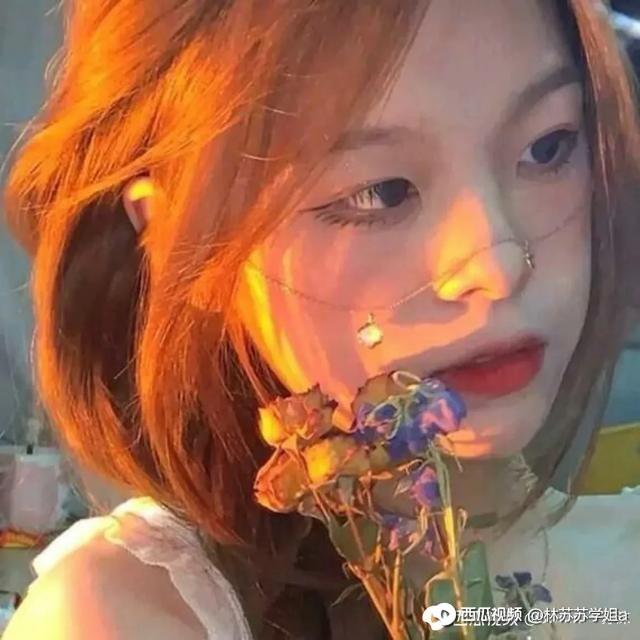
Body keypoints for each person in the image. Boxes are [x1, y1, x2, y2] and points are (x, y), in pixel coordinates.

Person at [3, 0, 640, 638]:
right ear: (178, 242)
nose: (497, 266)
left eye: (547, 148)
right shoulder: (129, 616)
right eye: (378, 192)